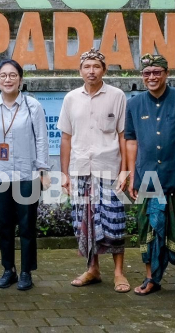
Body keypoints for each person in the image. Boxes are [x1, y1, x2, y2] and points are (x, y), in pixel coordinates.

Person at [124, 53, 175, 297]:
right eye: (147, 73)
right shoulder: (134, 103)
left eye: (157, 72)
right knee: (147, 227)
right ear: (142, 77)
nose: (152, 77)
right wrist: (132, 174)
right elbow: (131, 140)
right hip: (148, 176)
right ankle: (150, 277)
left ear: (166, 74)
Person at [58, 48, 130, 293]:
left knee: (114, 221)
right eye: (87, 66)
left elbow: (123, 135)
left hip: (108, 168)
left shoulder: (117, 96)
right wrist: (64, 174)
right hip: (80, 169)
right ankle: (93, 269)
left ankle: (119, 273)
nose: (91, 71)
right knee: (85, 221)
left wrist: (125, 170)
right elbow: (66, 138)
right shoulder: (71, 98)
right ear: (80, 71)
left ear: (104, 70)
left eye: (96, 66)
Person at [0, 60, 49, 291]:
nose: (7, 79)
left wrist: (43, 170)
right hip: (0, 176)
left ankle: (26, 272)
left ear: (20, 79)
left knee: (27, 225)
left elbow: (41, 138)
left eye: (12, 75)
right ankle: (8, 269)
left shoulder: (32, 106)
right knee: (4, 225)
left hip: (27, 175)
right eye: (3, 75)